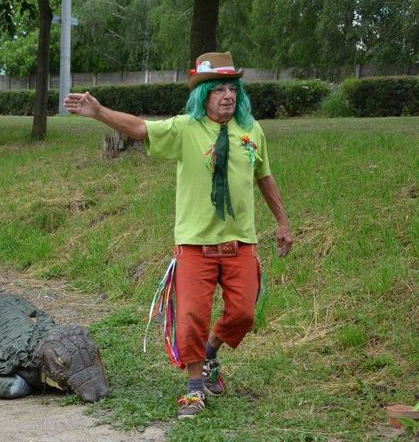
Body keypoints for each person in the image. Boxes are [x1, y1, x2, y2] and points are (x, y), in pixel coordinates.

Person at [63, 51, 293, 419]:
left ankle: (211, 351)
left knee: (243, 314)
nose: (227, 96)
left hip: (240, 243)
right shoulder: (186, 128)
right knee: (191, 317)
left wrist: (282, 223)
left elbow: (264, 177)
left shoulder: (251, 130)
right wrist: (99, 112)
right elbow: (141, 129)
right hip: (195, 245)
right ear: (203, 95)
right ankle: (194, 389)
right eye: (218, 89)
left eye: (232, 89)